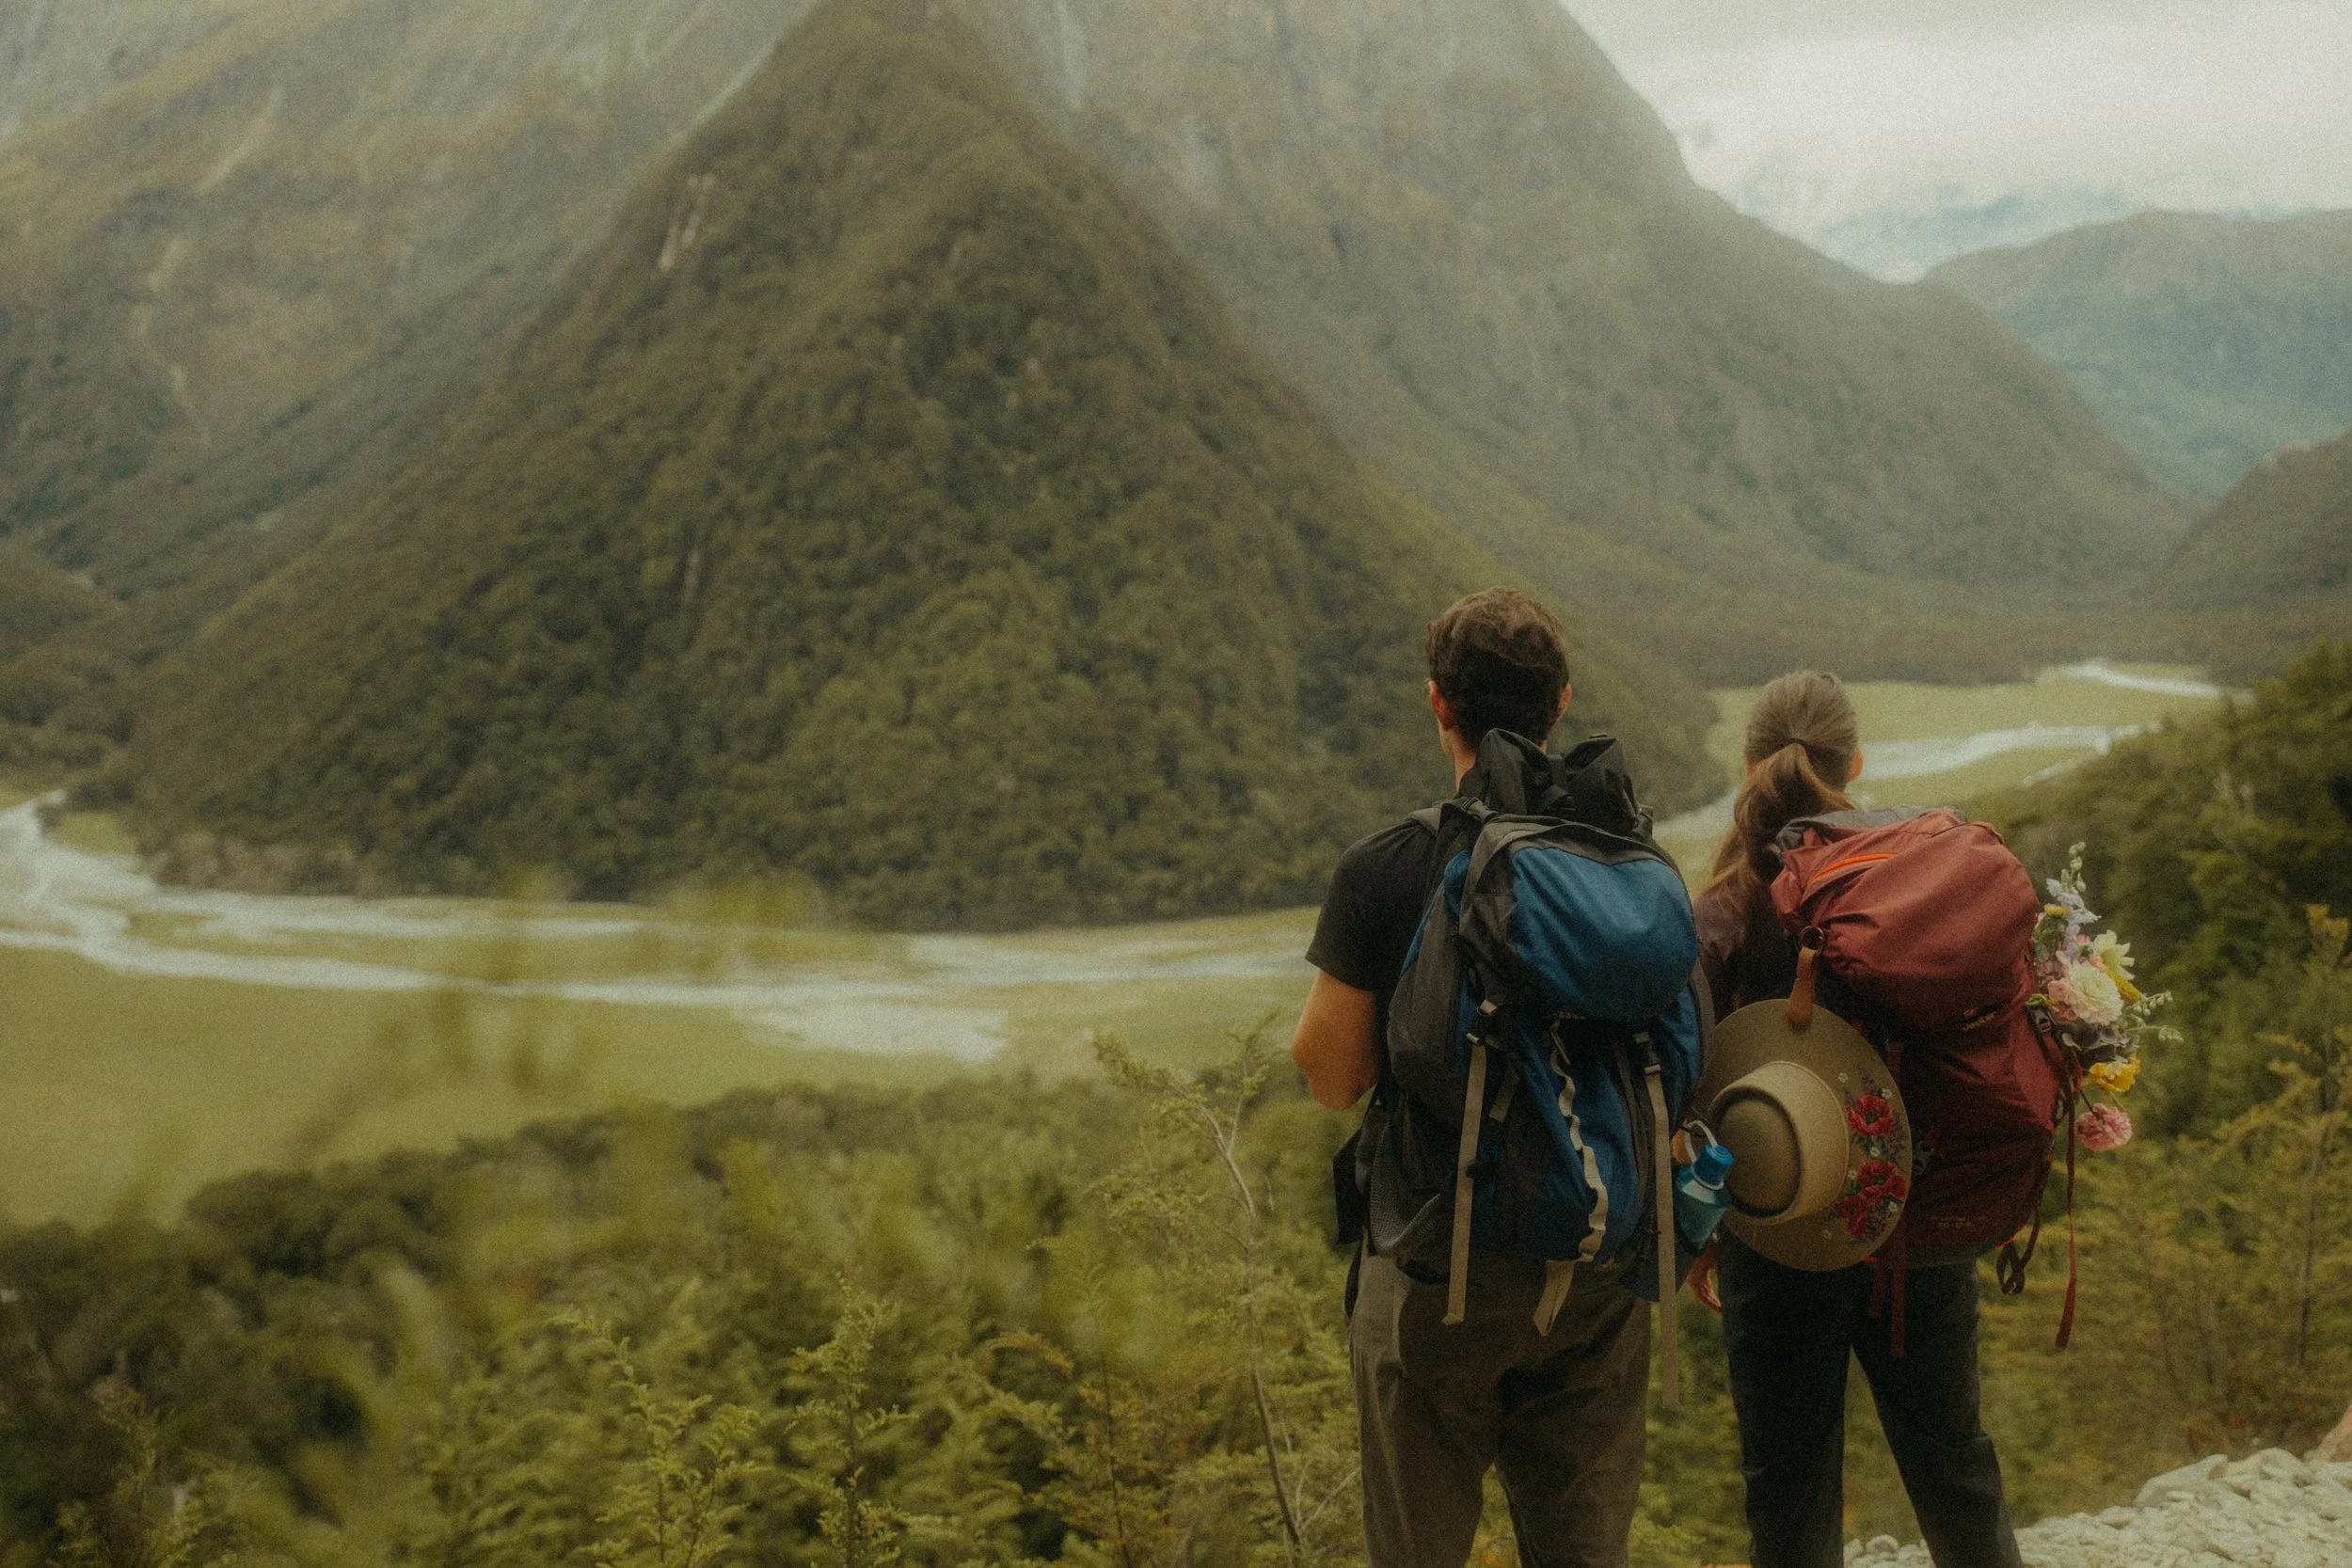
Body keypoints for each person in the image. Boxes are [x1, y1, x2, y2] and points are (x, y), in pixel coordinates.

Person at [1291, 587, 1653, 1568]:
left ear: (1436, 703)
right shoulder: (1624, 857)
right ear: (1562, 701)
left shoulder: (1391, 865)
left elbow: (1330, 1075)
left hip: (1435, 1265)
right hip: (1597, 1260)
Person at [1694, 671, 2026, 1568]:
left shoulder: (1725, 910)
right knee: (1955, 1466)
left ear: (1751, 766)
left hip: (1780, 1238)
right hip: (1912, 1217)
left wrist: (1696, 1232)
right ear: (1858, 763)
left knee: (1791, 1492)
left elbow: (1689, 1089)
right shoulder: (1912, 878)